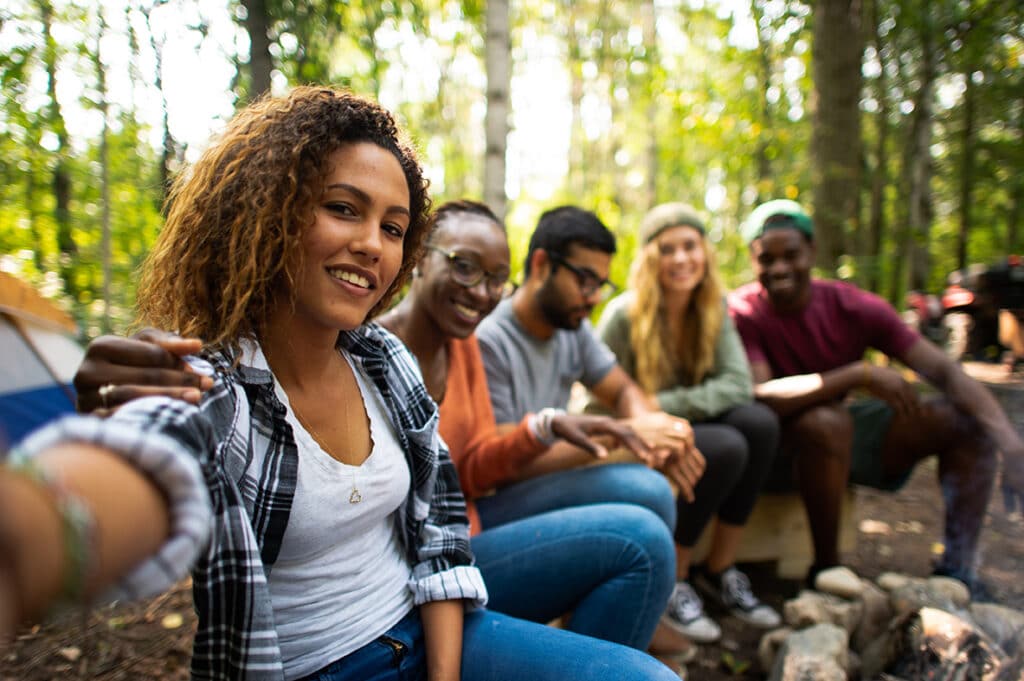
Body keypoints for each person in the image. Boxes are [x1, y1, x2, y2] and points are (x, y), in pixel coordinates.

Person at [0, 87, 681, 681]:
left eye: (392, 226)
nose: (372, 244)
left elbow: (440, 529)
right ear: (271, 213)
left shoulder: (384, 360)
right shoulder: (214, 385)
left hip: (426, 628)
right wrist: (34, 530)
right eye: (343, 208)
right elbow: (140, 464)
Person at [73, 199, 684, 661]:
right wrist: (112, 433)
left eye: (494, 279)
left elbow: (457, 479)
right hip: (414, 578)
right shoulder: (359, 354)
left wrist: (564, 428)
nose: (482, 293)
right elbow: (179, 448)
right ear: (421, 262)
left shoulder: (446, 347)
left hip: (449, 555)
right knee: (639, 529)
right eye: (464, 267)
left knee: (645, 521)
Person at [728, 198, 1024, 598]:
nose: (779, 269)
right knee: (824, 422)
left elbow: (945, 372)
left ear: (812, 252)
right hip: (778, 447)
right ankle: (826, 570)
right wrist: (859, 373)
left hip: (842, 435)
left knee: (964, 421)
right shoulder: (743, 311)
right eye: (767, 259)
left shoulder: (853, 306)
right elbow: (760, 397)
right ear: (753, 260)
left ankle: (958, 571)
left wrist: (1010, 443)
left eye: (791, 255)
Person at [587, 203, 781, 643]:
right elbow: (593, 398)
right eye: (667, 248)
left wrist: (665, 403)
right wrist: (649, 417)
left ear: (704, 253)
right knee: (726, 445)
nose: (680, 259)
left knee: (759, 424)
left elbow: (737, 385)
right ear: (651, 257)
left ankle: (721, 569)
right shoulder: (624, 314)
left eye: (690, 246)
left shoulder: (713, 307)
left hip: (677, 423)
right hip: (631, 438)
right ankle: (675, 578)